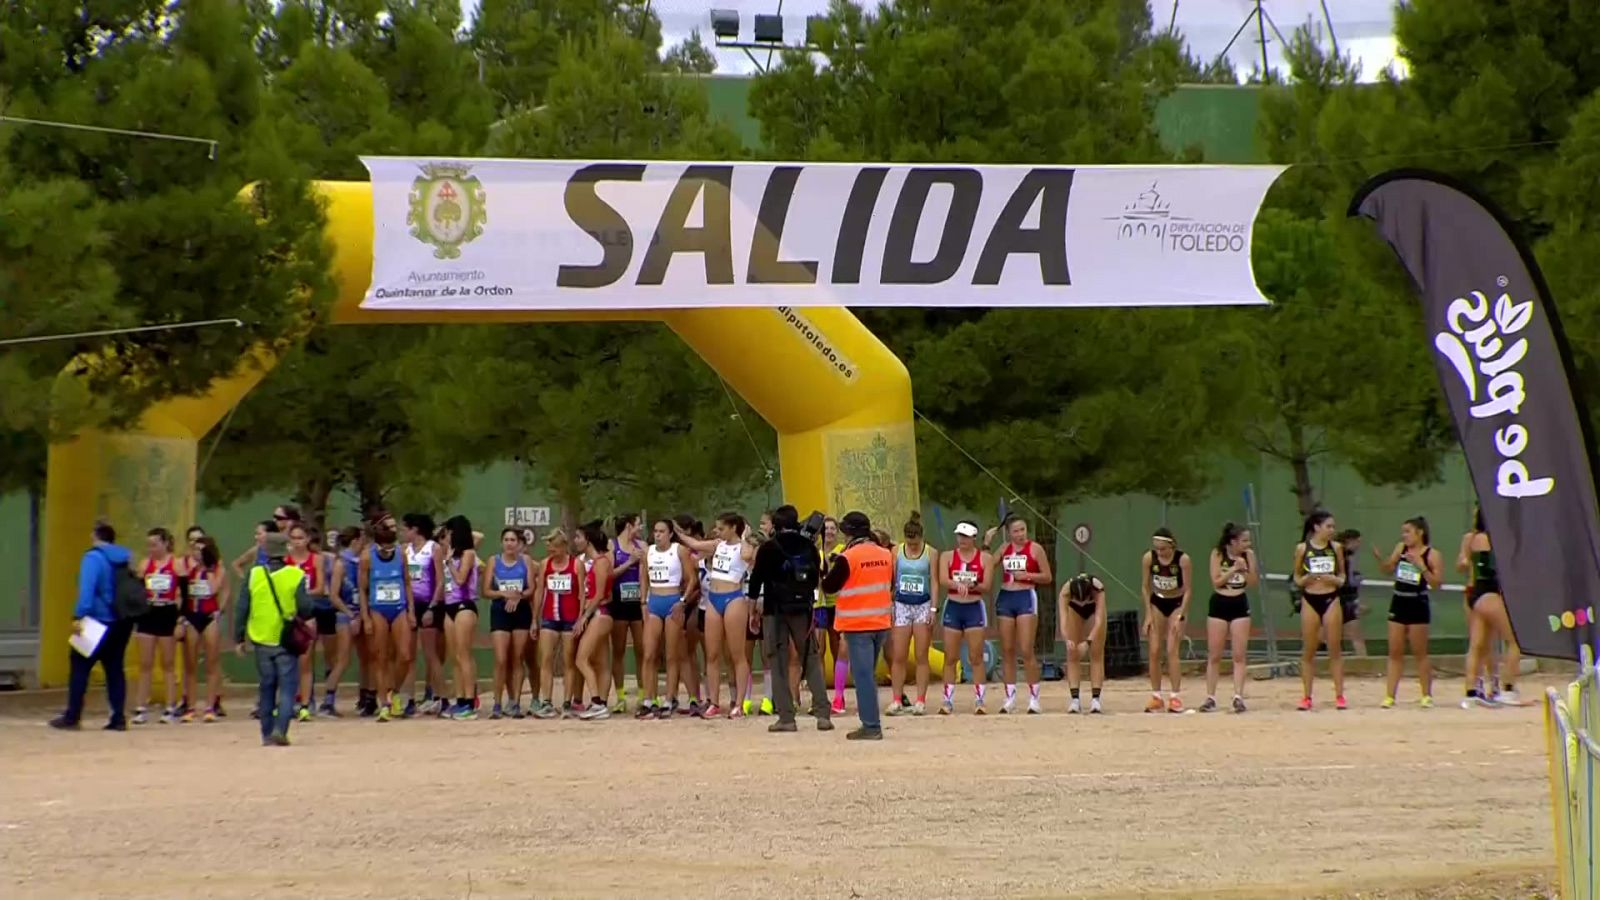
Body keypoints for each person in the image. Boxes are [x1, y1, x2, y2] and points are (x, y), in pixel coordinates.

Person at [748, 506, 833, 732]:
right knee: (810, 658)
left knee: (777, 660)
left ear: (775, 525)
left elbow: (756, 581)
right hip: (802, 608)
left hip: (775, 609)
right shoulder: (808, 546)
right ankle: (823, 713)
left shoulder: (769, 547)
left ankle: (786, 717)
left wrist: (752, 611)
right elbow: (816, 577)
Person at [50, 522, 136, 731]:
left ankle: (73, 716)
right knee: (115, 669)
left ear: (96, 536)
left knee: (79, 667)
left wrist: (78, 616)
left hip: (95, 620)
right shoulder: (125, 558)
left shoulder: (93, 558)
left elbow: (86, 591)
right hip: (121, 621)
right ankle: (118, 717)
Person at [818, 510, 893, 740]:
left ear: (849, 532)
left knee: (863, 677)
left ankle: (871, 726)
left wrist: (826, 569)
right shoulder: (885, 554)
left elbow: (829, 586)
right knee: (868, 675)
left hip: (858, 624)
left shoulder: (848, 557)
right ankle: (871, 722)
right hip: (881, 622)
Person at [234, 531, 313, 746]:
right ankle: (281, 729)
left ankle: (266, 733)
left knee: (267, 686)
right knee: (287, 687)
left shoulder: (254, 574)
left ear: (266, 550)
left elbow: (242, 607)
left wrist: (239, 637)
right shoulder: (295, 575)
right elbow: (306, 608)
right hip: (285, 639)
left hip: (261, 638)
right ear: (286, 550)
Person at [676, 513, 756, 718]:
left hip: (733, 598)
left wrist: (744, 536)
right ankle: (713, 702)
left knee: (737, 654)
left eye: (722, 528)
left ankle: (739, 703)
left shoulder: (744, 546)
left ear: (733, 528)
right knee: (711, 654)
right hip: (713, 598)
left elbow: (747, 556)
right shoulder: (718, 545)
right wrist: (676, 532)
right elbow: (694, 544)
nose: (717, 532)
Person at [988, 516, 1052, 715]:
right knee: (1007, 650)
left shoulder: (1035, 549)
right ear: (1009, 533)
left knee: (1026, 649)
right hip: (1006, 596)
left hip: (1025, 596)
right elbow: (986, 566)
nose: (1020, 534)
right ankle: (1010, 698)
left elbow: (1047, 576)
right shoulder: (1004, 549)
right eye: (1016, 531)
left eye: (1023, 530)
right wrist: (987, 543)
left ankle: (1034, 698)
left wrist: (1027, 575)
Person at [1374, 517, 1441, 708]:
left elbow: (1437, 583)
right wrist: (1381, 560)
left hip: (1418, 602)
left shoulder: (1432, 554)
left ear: (1420, 533)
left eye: (1408, 532)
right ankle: (1390, 695)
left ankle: (1426, 695)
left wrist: (1421, 566)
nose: (1404, 536)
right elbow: (1388, 569)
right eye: (1403, 532)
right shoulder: (1401, 548)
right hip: (1399, 601)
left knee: (1420, 652)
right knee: (1395, 651)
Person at [638, 519, 698, 719]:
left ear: (670, 534)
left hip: (672, 602)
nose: (658, 535)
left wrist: (682, 601)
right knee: (649, 653)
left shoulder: (679, 551)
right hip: (654, 602)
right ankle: (648, 699)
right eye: (655, 531)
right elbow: (644, 578)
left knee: (672, 654)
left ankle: (669, 698)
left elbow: (691, 579)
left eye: (662, 531)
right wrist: (643, 602)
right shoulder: (648, 552)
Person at [1463, 507, 1522, 708]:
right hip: (1490, 593)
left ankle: (1471, 693)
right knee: (1515, 641)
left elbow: (1464, 563)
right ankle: (1508, 688)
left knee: (1477, 645)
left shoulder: (1471, 538)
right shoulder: (1498, 539)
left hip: (1475, 593)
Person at [358, 519, 414, 723]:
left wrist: (411, 611)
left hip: (399, 608)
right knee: (380, 657)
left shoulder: (401, 555)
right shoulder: (367, 557)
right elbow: (362, 590)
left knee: (405, 654)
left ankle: (394, 691)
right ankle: (384, 704)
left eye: (391, 548)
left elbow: (407, 583)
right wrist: (366, 617)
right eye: (384, 549)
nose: (388, 552)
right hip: (377, 609)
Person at [133, 527, 189, 725]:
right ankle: (141, 707)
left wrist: (181, 620)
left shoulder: (177, 564)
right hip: (148, 613)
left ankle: (169, 707)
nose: (152, 549)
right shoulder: (144, 564)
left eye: (155, 544)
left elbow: (186, 595)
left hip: (168, 613)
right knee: (145, 664)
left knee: (168, 663)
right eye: (149, 545)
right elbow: (137, 593)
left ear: (165, 543)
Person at [1293, 510, 1346, 711]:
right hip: (1310, 598)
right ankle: (1307, 696)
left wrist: (1335, 580)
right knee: (1309, 649)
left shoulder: (1336, 548)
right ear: (1316, 527)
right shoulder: (1302, 549)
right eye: (1328, 526)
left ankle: (1339, 695)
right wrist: (1304, 580)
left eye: (1333, 526)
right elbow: (1296, 577)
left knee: (1334, 648)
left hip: (1330, 597)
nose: (1332, 530)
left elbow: (1342, 576)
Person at [1200, 523, 1257, 713]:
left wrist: (1245, 570)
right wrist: (1233, 569)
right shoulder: (1218, 554)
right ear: (1233, 541)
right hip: (1220, 602)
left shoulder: (1249, 555)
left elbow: (1253, 582)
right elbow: (1216, 581)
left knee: (1239, 654)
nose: (1248, 544)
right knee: (1215, 654)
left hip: (1239, 602)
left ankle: (1238, 696)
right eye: (1244, 541)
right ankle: (1210, 697)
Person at [886, 512, 938, 716]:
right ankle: (897, 699)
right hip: (901, 605)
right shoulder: (896, 551)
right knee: (898, 655)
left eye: (916, 543)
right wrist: (889, 604)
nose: (913, 546)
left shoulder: (931, 553)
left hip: (922, 605)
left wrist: (933, 608)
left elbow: (934, 581)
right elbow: (891, 579)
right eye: (910, 543)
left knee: (921, 655)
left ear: (921, 537)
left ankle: (920, 700)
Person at [939, 521, 992, 715]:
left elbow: (987, 585)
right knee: (950, 656)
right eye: (960, 535)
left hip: (973, 608)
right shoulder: (947, 556)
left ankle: (980, 700)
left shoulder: (984, 558)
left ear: (974, 538)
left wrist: (972, 585)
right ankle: (947, 700)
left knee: (976, 656)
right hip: (954, 607)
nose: (962, 540)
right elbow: (943, 579)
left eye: (966, 536)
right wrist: (957, 584)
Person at [485, 527, 534, 719]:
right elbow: (486, 591)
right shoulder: (494, 561)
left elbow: (531, 588)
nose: (509, 543)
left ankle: (515, 702)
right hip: (500, 610)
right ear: (501, 542)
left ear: (519, 543)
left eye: (513, 540)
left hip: (521, 610)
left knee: (517, 657)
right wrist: (504, 594)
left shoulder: (525, 561)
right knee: (501, 658)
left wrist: (518, 596)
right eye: (506, 540)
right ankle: (497, 703)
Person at [1140, 528, 1191, 713]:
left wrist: (1181, 615)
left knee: (1172, 650)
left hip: (1176, 602)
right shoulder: (1149, 558)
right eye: (1157, 549)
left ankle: (1175, 697)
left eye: (1163, 549)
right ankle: (1156, 696)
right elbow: (1145, 587)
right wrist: (1148, 614)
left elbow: (1188, 590)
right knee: (1154, 650)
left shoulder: (1182, 560)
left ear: (1172, 546)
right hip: (1158, 602)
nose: (1160, 552)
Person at [533, 528, 582, 719]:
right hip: (549, 618)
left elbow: (582, 594)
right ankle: (546, 702)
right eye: (549, 547)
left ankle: (567, 702)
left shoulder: (576, 564)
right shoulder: (545, 564)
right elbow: (539, 592)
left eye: (553, 547)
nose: (550, 550)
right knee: (546, 659)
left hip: (570, 618)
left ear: (563, 546)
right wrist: (534, 619)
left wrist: (580, 618)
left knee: (569, 660)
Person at [180, 535, 228, 722]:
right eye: (195, 549)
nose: (197, 553)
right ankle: (190, 706)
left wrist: (219, 610)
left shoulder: (216, 569)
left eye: (201, 550)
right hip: (192, 615)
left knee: (211, 662)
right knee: (190, 664)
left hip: (209, 615)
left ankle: (210, 706)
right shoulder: (188, 569)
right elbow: (182, 592)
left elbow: (215, 589)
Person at [573, 521, 616, 720]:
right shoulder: (599, 562)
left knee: (581, 659)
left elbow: (599, 594)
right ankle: (602, 704)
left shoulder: (600, 563)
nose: (576, 541)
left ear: (588, 540)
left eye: (578, 537)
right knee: (600, 662)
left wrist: (584, 616)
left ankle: (597, 702)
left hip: (599, 614)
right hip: (600, 613)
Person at [440, 516, 482, 719]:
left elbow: (460, 579)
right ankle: (459, 699)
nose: (446, 536)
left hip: (464, 605)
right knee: (454, 656)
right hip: (449, 606)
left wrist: (449, 562)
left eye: (449, 532)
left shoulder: (468, 553)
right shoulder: (450, 553)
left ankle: (470, 701)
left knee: (464, 654)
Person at [403, 513, 444, 716]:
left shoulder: (433, 548)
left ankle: (441, 698)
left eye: (405, 528)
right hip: (411, 606)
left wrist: (432, 607)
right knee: (408, 655)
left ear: (415, 529)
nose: (403, 532)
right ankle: (409, 700)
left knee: (430, 654)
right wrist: (409, 609)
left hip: (428, 605)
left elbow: (441, 581)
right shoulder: (405, 550)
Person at [285, 524, 327, 722]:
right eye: (293, 538)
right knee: (286, 661)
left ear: (308, 539)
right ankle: (287, 702)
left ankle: (305, 703)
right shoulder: (285, 561)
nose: (297, 542)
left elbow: (320, 588)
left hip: (307, 613)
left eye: (300, 538)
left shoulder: (316, 559)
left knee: (305, 660)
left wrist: (301, 594)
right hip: (287, 614)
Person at [608, 514, 646, 713]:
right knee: (619, 650)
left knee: (642, 650)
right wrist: (630, 562)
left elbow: (646, 574)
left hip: (637, 603)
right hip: (618, 602)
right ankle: (620, 697)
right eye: (638, 524)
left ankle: (643, 696)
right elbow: (609, 574)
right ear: (629, 526)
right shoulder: (612, 545)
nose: (641, 527)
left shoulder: (643, 546)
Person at [1058, 573, 1107, 713]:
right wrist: (1067, 639)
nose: (1082, 602)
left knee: (1096, 653)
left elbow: (1098, 621)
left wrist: (1088, 642)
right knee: (1072, 654)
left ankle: (1095, 699)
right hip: (1074, 610)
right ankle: (1075, 699)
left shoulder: (1098, 589)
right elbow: (1063, 621)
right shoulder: (1065, 592)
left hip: (1093, 610)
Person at [817, 516, 849, 715]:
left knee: (838, 650)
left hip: (838, 605)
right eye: (826, 528)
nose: (828, 532)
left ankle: (839, 696)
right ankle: (820, 698)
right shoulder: (816, 552)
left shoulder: (842, 551)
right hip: (820, 605)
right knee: (819, 651)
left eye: (832, 529)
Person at [1337, 529, 1368, 657]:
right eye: (1358, 542)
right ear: (1350, 540)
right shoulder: (1341, 556)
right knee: (1354, 637)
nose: (1359, 545)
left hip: (1344, 601)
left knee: (1355, 636)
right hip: (1339, 600)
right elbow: (1346, 582)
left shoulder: (1347, 556)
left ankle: (1364, 662)